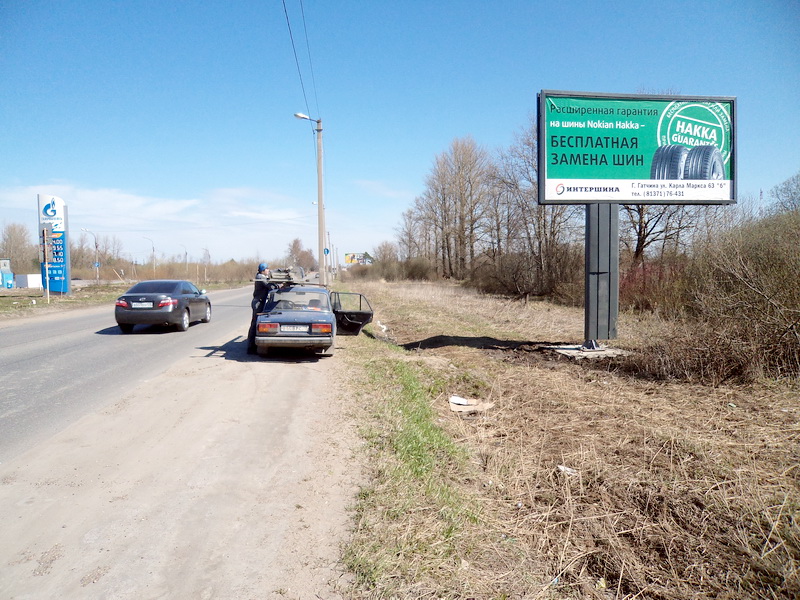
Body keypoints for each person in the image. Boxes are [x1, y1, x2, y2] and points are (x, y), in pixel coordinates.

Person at [247, 263, 275, 354]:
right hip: (258, 302)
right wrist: (277, 286)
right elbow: (269, 286)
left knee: (255, 323)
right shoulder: (260, 277)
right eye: (267, 269)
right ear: (263, 270)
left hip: (260, 302)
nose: (268, 270)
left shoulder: (262, 276)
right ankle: (251, 347)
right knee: (255, 323)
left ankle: (252, 345)